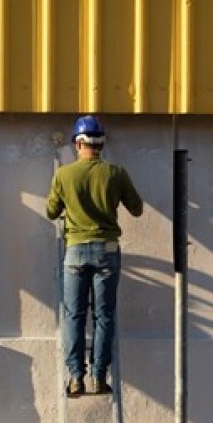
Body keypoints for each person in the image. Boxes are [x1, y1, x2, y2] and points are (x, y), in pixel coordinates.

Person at [46, 115, 143, 395]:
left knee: (74, 315)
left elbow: (51, 212)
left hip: (75, 251)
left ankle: (76, 377)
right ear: (101, 144)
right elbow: (136, 208)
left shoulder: (64, 175)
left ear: (78, 143)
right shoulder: (116, 173)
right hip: (107, 251)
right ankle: (99, 377)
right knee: (104, 316)